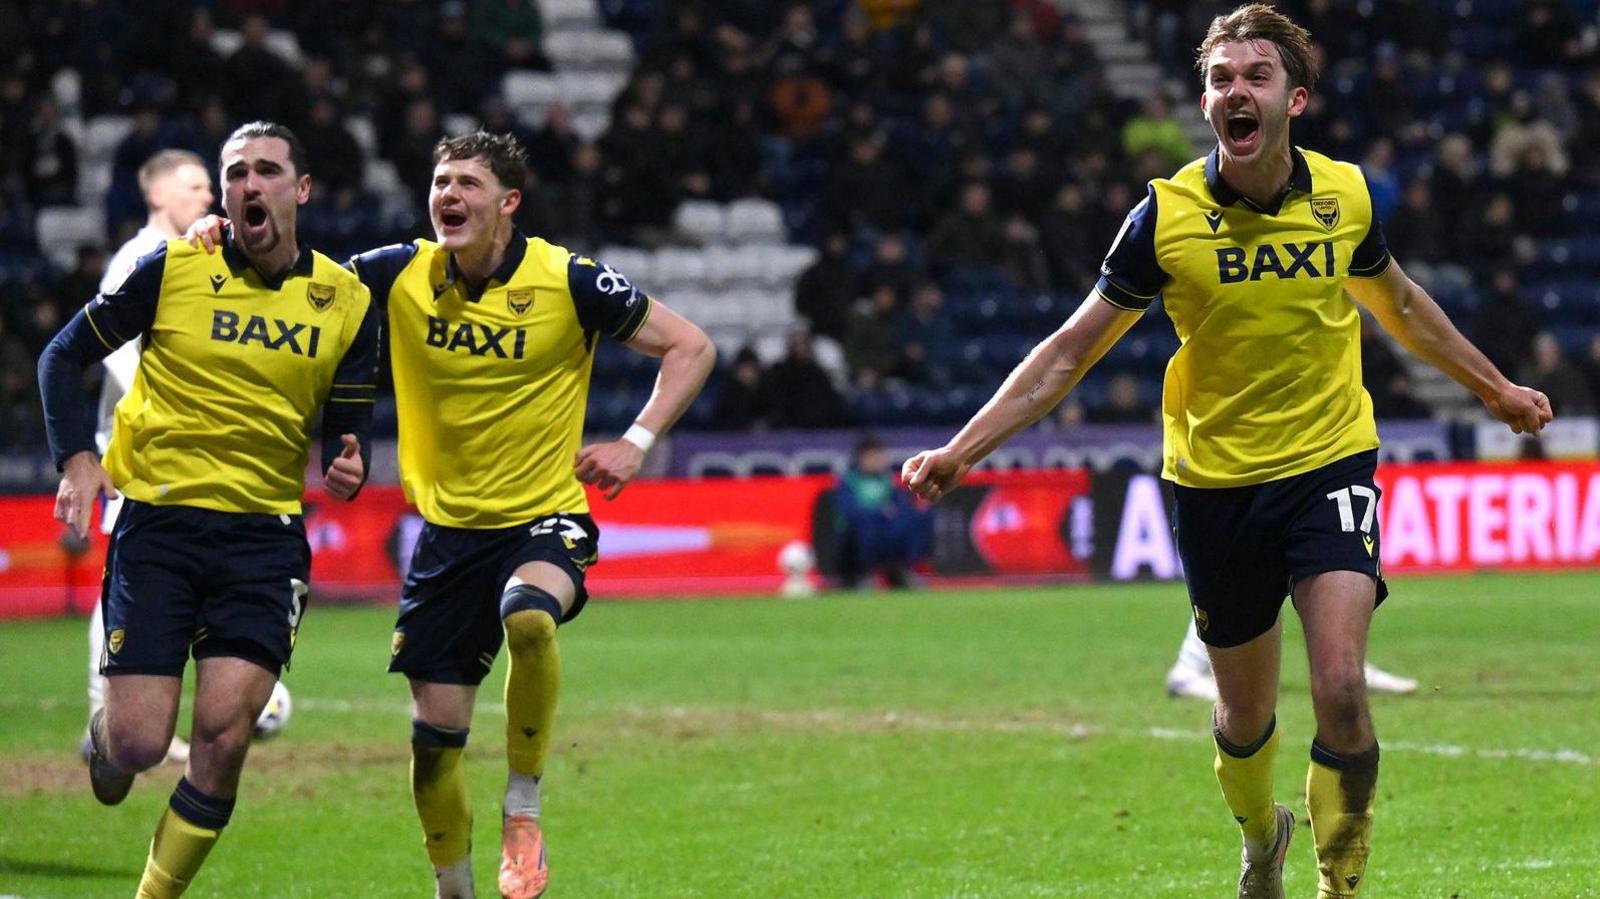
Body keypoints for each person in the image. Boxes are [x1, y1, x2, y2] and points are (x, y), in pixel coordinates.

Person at [900, 7, 1552, 898]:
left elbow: (1399, 305)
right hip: (1215, 485)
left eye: (1254, 77)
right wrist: (962, 449)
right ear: (1206, 102)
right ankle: (1262, 837)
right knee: (1244, 717)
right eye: (1220, 80)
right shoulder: (1163, 217)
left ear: (1296, 98)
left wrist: (1496, 387)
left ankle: (1339, 881)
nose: (1234, 92)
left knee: (1342, 689)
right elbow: (1065, 353)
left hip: (1330, 463)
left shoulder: (1345, 197)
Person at [193, 131, 715, 899]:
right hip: (443, 538)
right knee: (435, 747)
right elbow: (295, 277)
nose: (448, 196)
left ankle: (524, 804)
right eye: (440, 181)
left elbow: (692, 346)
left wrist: (636, 441)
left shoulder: (567, 279)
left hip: (542, 516)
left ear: (508, 202)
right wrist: (223, 235)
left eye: (467, 183)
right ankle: (456, 890)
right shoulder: (398, 273)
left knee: (529, 615)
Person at [37, 121, 378, 898]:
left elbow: (351, 413)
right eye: (235, 173)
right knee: (138, 741)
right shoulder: (172, 270)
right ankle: (102, 742)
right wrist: (79, 460)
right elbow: (62, 354)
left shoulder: (347, 298)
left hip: (263, 537)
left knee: (223, 738)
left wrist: (349, 453)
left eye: (266, 171)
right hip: (159, 524)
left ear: (302, 189)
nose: (249, 186)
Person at [83, 149, 216, 767]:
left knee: (149, 579)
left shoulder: (189, 259)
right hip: (138, 451)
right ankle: (106, 714)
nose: (208, 197)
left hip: (170, 450)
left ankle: (125, 713)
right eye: (194, 186)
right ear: (159, 195)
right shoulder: (136, 259)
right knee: (126, 583)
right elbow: (115, 354)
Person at [832, 435, 931, 589]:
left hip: (885, 530)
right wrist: (878, 512)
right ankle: (864, 574)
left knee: (916, 519)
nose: (879, 460)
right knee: (868, 522)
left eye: (880, 455)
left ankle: (903, 569)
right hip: (855, 533)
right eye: (874, 456)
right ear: (861, 458)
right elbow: (849, 510)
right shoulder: (849, 482)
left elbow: (901, 507)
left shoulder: (887, 481)